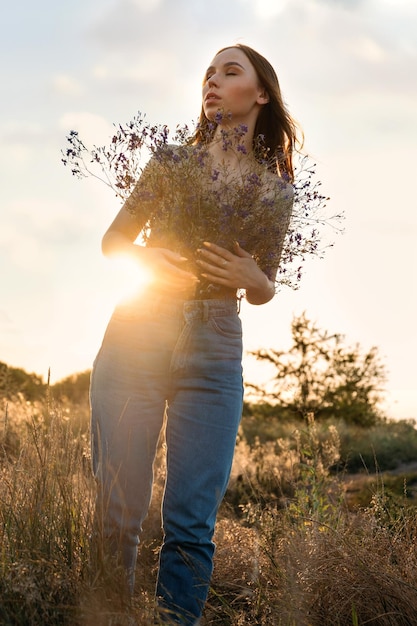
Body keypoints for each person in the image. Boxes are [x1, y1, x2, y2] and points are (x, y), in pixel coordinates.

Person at [90, 43, 300, 625]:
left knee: (190, 520)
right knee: (119, 509)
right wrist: (148, 253)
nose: (212, 80)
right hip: (140, 329)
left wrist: (259, 281)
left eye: (230, 71)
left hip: (215, 342)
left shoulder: (273, 192)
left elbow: (263, 286)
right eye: (208, 72)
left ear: (260, 94)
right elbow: (114, 243)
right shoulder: (171, 163)